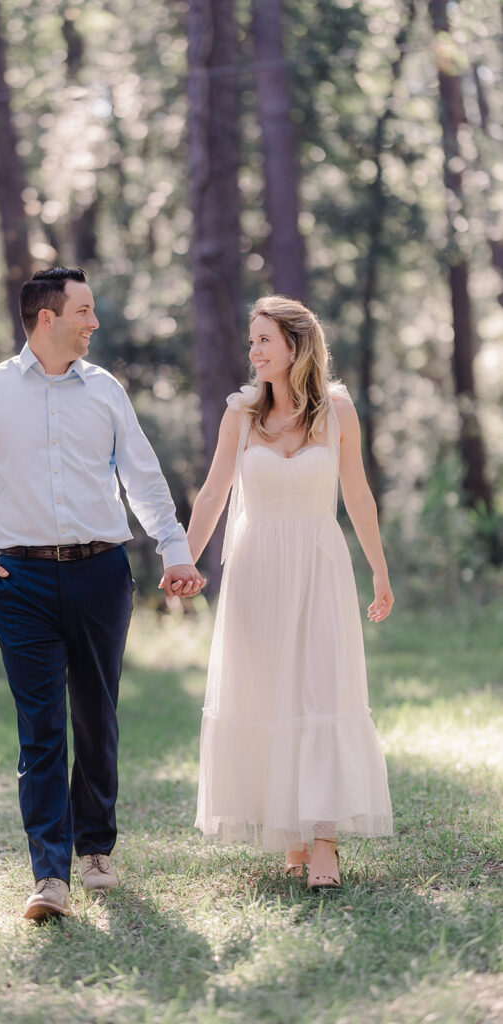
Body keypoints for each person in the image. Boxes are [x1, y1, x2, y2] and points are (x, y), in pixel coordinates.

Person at [0, 267, 204, 919]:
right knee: (39, 731)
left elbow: (142, 479)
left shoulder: (105, 390)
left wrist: (174, 549)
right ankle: (49, 876)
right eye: (82, 310)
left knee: (96, 714)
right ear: (46, 318)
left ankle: (95, 849)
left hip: (101, 573)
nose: (93, 322)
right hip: (19, 580)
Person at [187, 295, 393, 888]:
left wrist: (379, 570)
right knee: (271, 696)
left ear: (296, 346)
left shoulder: (336, 412)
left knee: (322, 690)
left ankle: (323, 842)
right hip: (255, 572)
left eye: (263, 341)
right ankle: (292, 837)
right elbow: (212, 495)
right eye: (251, 342)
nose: (252, 353)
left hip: (318, 566)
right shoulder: (241, 415)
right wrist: (182, 559)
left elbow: (357, 496)